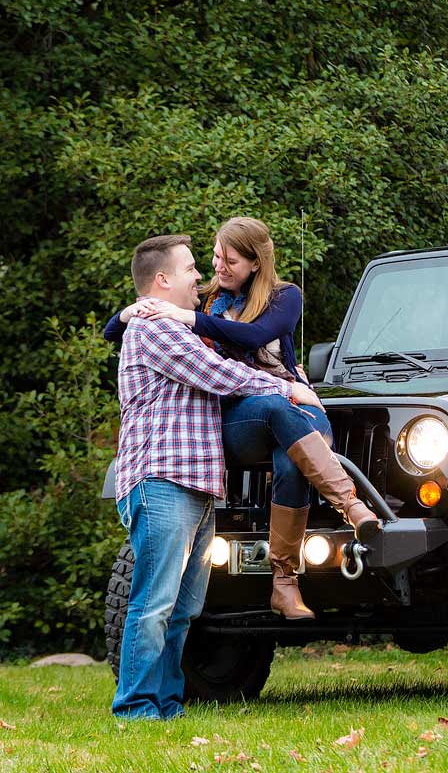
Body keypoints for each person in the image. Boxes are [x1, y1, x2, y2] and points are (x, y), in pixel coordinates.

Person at [105, 218, 378, 622]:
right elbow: (116, 330)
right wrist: (133, 309)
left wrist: (188, 320)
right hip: (248, 407)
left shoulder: (285, 297)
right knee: (276, 409)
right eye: (214, 256)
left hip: (292, 398)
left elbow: (251, 337)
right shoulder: (209, 296)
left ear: (255, 263)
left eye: (229, 260)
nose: (216, 267)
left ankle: (284, 583)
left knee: (291, 459)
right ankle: (351, 506)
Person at [112, 234, 324, 719]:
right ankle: (135, 706)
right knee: (154, 603)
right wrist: (289, 389)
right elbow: (219, 373)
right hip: (163, 480)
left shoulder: (172, 325)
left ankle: (167, 704)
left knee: (184, 608)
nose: (200, 278)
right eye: (191, 269)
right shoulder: (152, 330)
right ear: (162, 280)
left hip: (198, 485)